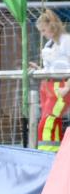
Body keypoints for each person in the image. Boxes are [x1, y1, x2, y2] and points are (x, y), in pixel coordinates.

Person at [30, 9, 70, 152]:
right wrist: (39, 69)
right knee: (53, 123)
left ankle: (46, 155)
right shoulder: (49, 44)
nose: (42, 34)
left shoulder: (66, 41)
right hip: (47, 85)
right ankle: (56, 154)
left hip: (61, 86)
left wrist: (66, 88)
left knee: (47, 123)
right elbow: (53, 66)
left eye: (44, 30)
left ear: (52, 26)